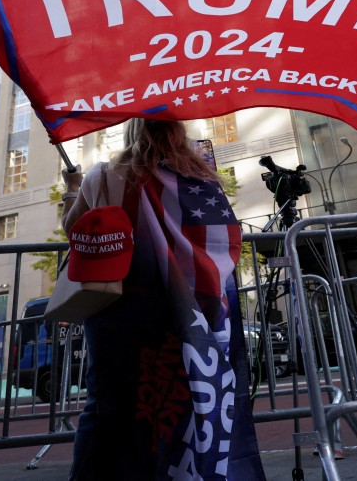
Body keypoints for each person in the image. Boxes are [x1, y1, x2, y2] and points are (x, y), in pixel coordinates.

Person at [61, 118, 267, 480]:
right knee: (184, 399)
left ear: (131, 132)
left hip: (120, 309)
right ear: (178, 131)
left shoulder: (104, 176)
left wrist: (72, 188)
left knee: (109, 403)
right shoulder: (203, 179)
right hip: (190, 311)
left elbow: (73, 228)